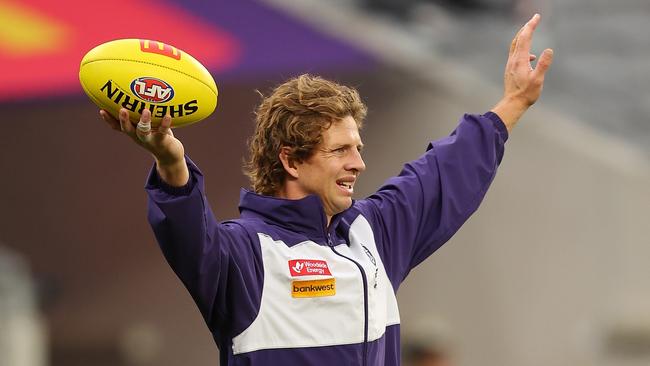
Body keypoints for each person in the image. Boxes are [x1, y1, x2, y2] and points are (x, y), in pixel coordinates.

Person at [99, 14, 553, 366]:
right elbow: (187, 233)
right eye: (340, 150)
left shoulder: (371, 232)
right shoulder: (245, 255)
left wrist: (512, 103)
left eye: (357, 147)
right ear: (291, 160)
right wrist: (171, 160)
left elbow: (443, 174)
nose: (358, 162)